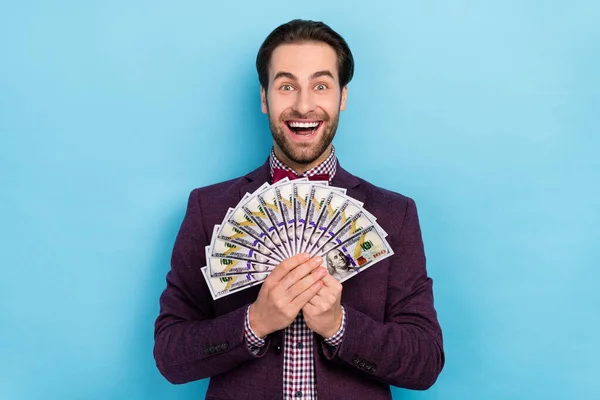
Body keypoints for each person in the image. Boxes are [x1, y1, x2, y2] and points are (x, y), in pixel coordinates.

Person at [154, 19, 444, 400]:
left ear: (342, 96)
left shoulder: (394, 215)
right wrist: (254, 322)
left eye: (321, 86)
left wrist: (339, 325)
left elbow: (424, 362)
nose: (304, 105)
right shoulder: (209, 209)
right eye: (286, 85)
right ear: (264, 98)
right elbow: (170, 355)